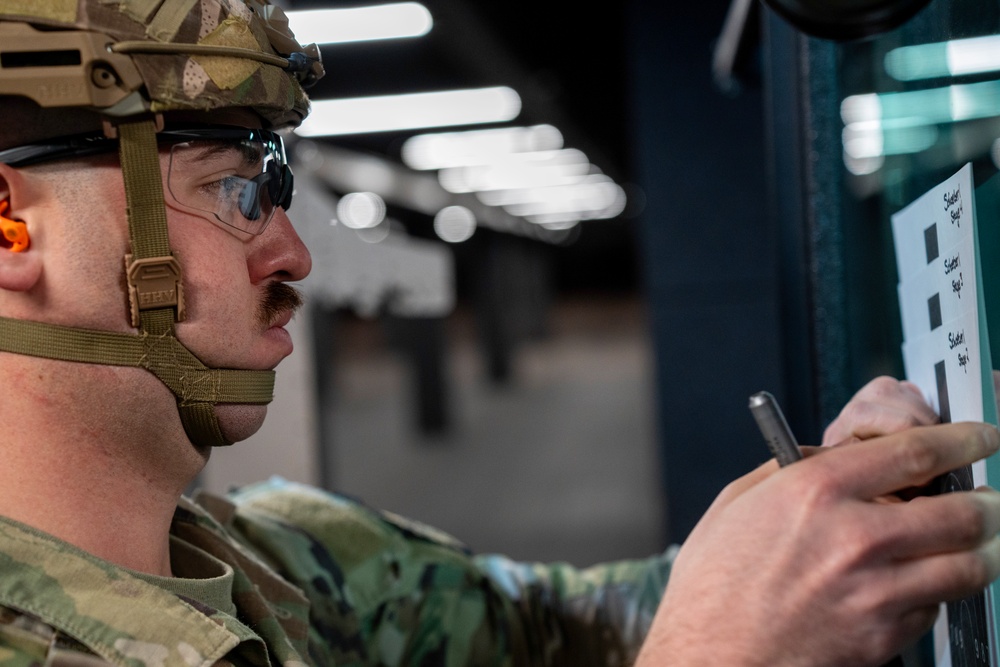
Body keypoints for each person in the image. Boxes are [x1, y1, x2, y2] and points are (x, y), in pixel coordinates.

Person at [0, 2, 998, 666]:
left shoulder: (301, 564)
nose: (294, 255)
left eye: (273, 185)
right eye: (232, 191)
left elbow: (587, 624)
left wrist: (837, 499)